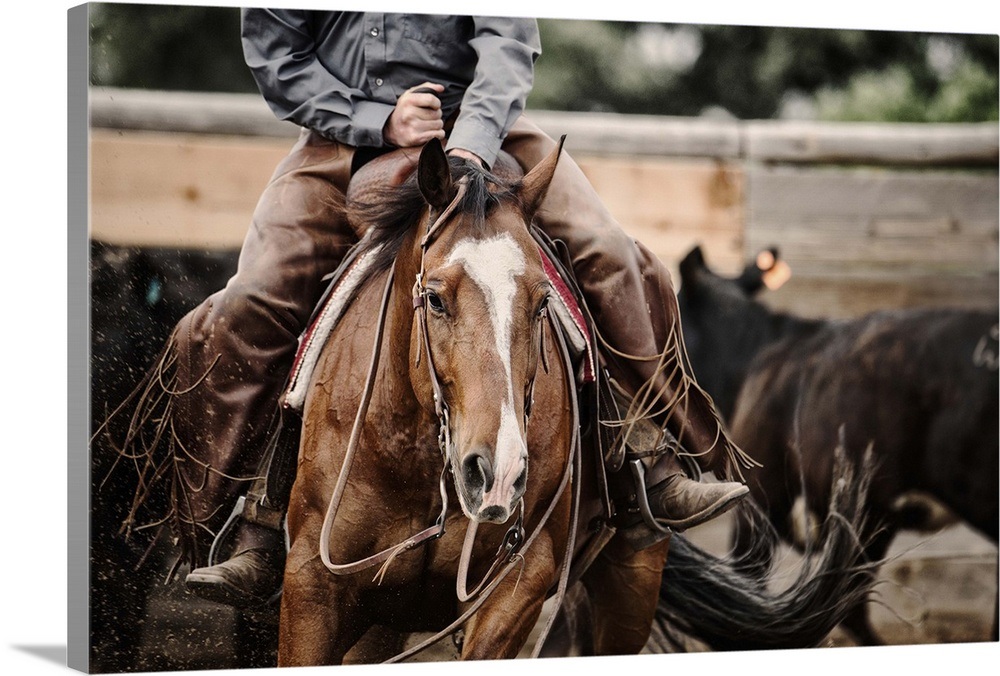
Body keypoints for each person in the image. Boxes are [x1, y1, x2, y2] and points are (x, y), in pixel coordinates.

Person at [122, 10, 755, 609]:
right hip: (339, 144)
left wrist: (472, 141)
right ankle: (244, 521)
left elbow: (507, 39)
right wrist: (380, 121)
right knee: (251, 301)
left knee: (614, 256)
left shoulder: (483, 129)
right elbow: (277, 54)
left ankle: (646, 460)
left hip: (484, 133)